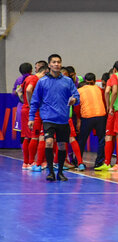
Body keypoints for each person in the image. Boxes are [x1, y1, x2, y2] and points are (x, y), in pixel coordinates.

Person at [28, 54, 80, 182]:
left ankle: (60, 172)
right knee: (49, 142)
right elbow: (35, 101)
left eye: (59, 62)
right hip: (48, 119)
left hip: (63, 119)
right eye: (54, 62)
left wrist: (75, 99)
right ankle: (50, 172)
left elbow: (77, 96)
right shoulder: (42, 82)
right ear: (49, 65)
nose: (57, 64)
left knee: (62, 146)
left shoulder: (67, 81)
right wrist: (31, 117)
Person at [76, 72, 107, 169]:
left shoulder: (79, 90)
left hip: (87, 116)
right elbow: (104, 101)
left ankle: (79, 161)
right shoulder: (98, 89)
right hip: (101, 115)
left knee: (82, 140)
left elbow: (77, 107)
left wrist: (78, 119)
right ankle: (99, 162)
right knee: (102, 139)